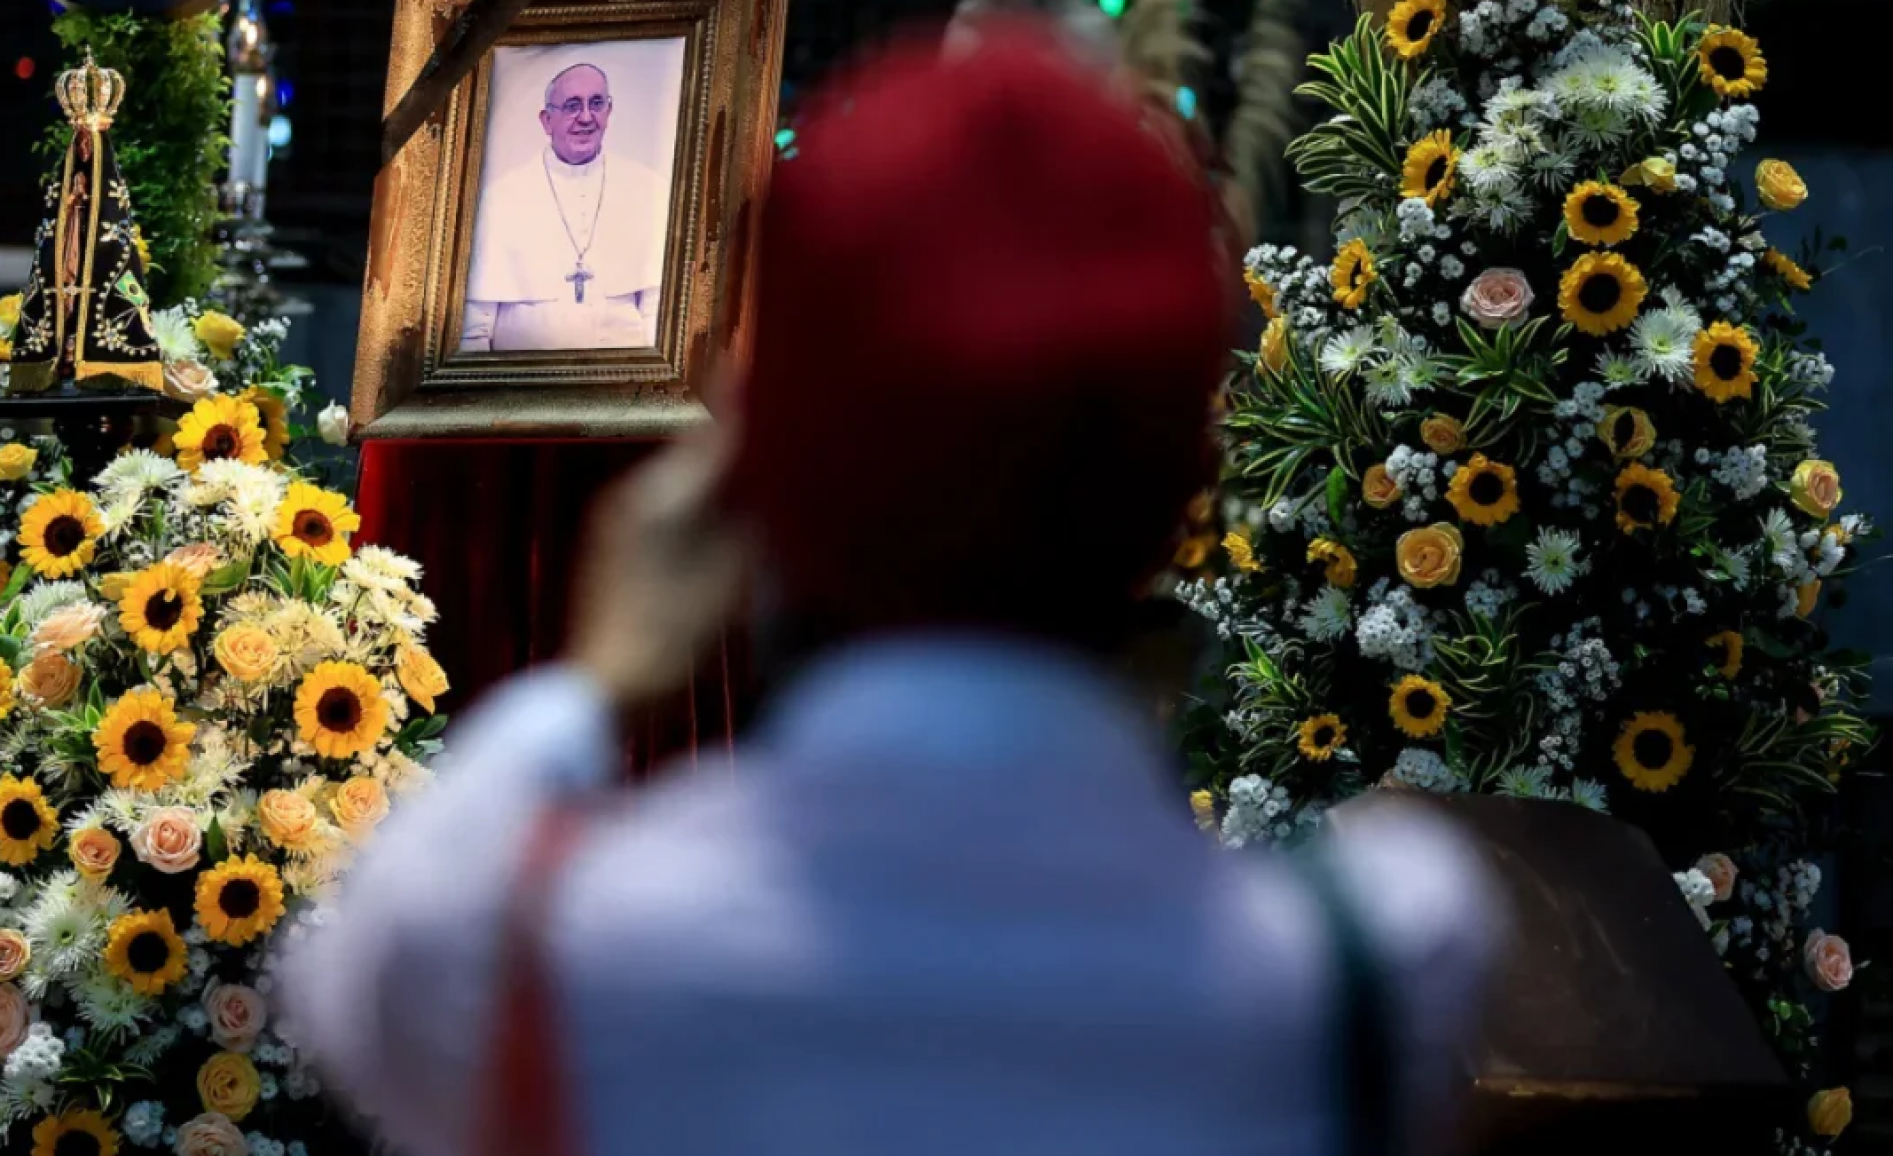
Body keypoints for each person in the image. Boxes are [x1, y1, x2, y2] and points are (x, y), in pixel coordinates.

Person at [285, 20, 1501, 1156]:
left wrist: (596, 682)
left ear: (756, 459)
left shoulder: (544, 955)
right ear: (1185, 479)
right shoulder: (1376, 970)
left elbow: (368, 967)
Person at [461, 56, 671, 353]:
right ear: (547, 121)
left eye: (596, 103)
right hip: (522, 382)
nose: (586, 118)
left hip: (619, 383)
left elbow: (656, 309)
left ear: (609, 111)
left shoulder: (647, 188)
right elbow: (474, 325)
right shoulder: (501, 196)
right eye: (572, 106)